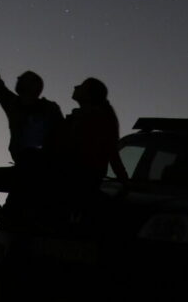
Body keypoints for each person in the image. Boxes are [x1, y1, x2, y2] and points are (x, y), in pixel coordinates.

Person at [0, 26, 63, 225]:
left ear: (33, 86)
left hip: (43, 171)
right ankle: (3, 220)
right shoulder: (13, 104)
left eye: (22, 77)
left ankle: (10, 222)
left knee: (26, 219)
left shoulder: (50, 109)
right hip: (23, 169)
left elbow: (63, 138)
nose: (17, 78)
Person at [55, 77, 131, 213]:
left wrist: (125, 182)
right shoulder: (83, 117)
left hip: (79, 180)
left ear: (89, 94)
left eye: (81, 86)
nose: (75, 86)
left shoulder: (97, 119)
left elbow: (110, 152)